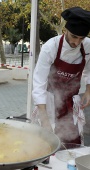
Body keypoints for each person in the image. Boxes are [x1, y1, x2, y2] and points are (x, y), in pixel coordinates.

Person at [32, 7, 90, 145]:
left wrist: (88, 89)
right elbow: (38, 83)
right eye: (74, 37)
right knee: (46, 144)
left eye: (81, 38)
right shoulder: (50, 47)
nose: (76, 43)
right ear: (65, 30)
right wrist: (44, 119)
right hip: (50, 102)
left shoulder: (88, 46)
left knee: (72, 143)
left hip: (72, 103)